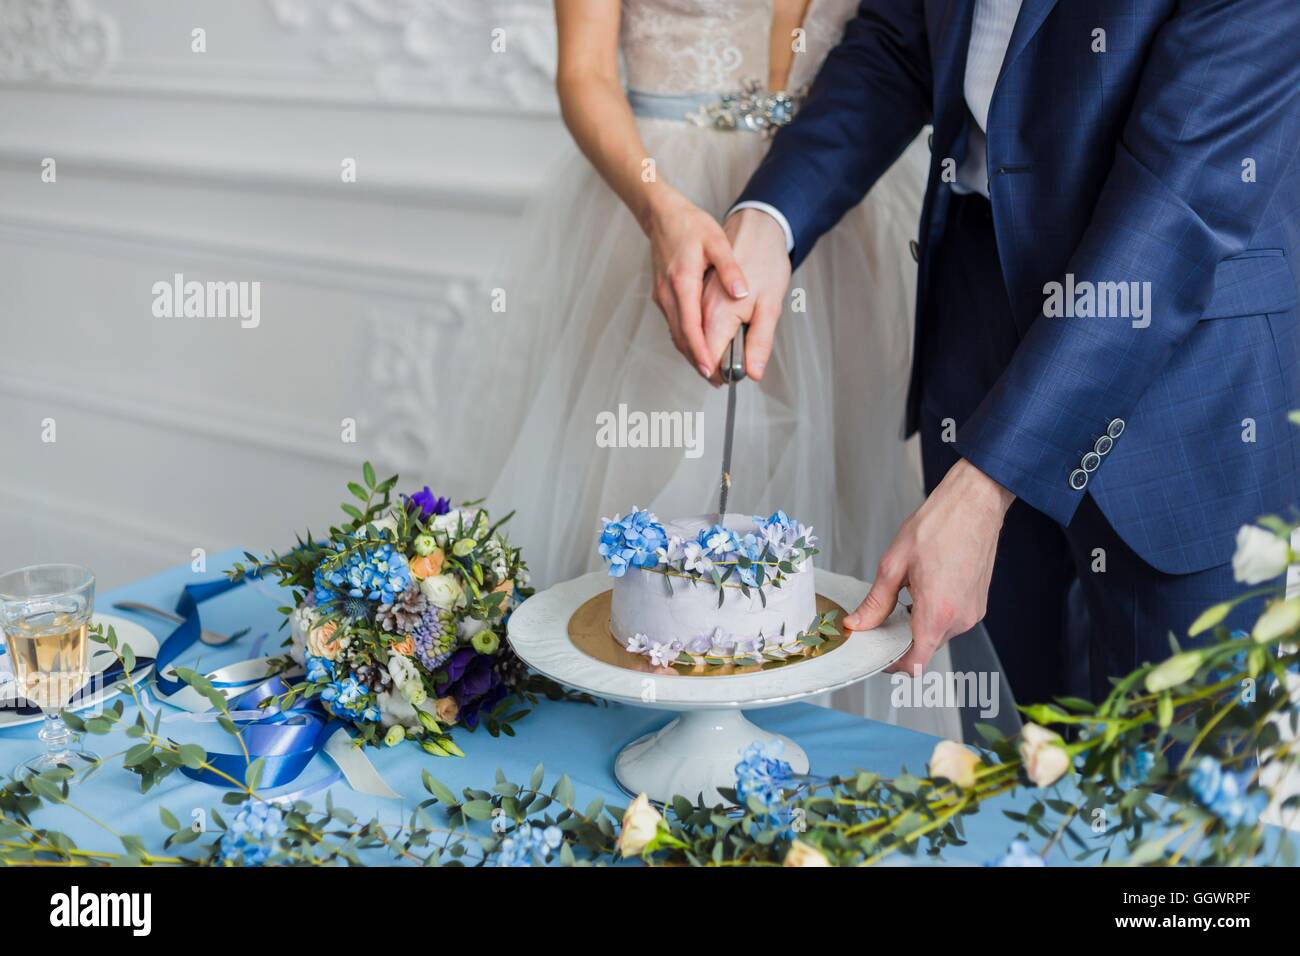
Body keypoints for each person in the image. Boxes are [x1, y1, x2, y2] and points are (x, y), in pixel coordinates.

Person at [666, 0, 1300, 706]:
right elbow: (898, 43)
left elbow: (1176, 211)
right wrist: (770, 220)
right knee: (1008, 758)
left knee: (1172, 786)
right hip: (975, 323)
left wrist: (987, 481)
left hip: (1184, 381)